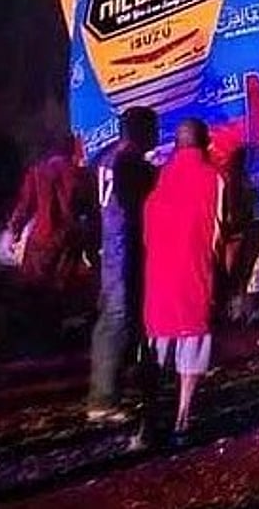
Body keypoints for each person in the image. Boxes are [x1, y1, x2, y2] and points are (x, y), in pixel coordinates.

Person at [142, 119, 225, 445]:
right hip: (194, 273)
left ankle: (149, 419)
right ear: (205, 144)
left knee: (157, 349)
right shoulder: (213, 178)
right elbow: (218, 231)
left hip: (158, 278)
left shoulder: (159, 179)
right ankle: (182, 418)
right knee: (193, 344)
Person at [86, 107, 159, 423]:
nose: (157, 136)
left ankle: (112, 390)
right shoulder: (131, 164)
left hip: (109, 250)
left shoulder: (104, 158)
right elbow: (139, 208)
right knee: (117, 319)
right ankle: (103, 399)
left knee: (112, 318)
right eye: (153, 129)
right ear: (141, 131)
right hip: (125, 249)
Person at [5, 133, 97, 347]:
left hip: (41, 241)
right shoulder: (81, 175)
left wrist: (13, 231)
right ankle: (58, 340)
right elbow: (90, 210)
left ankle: (40, 342)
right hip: (69, 241)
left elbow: (25, 206)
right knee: (62, 292)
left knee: (36, 293)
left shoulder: (38, 172)